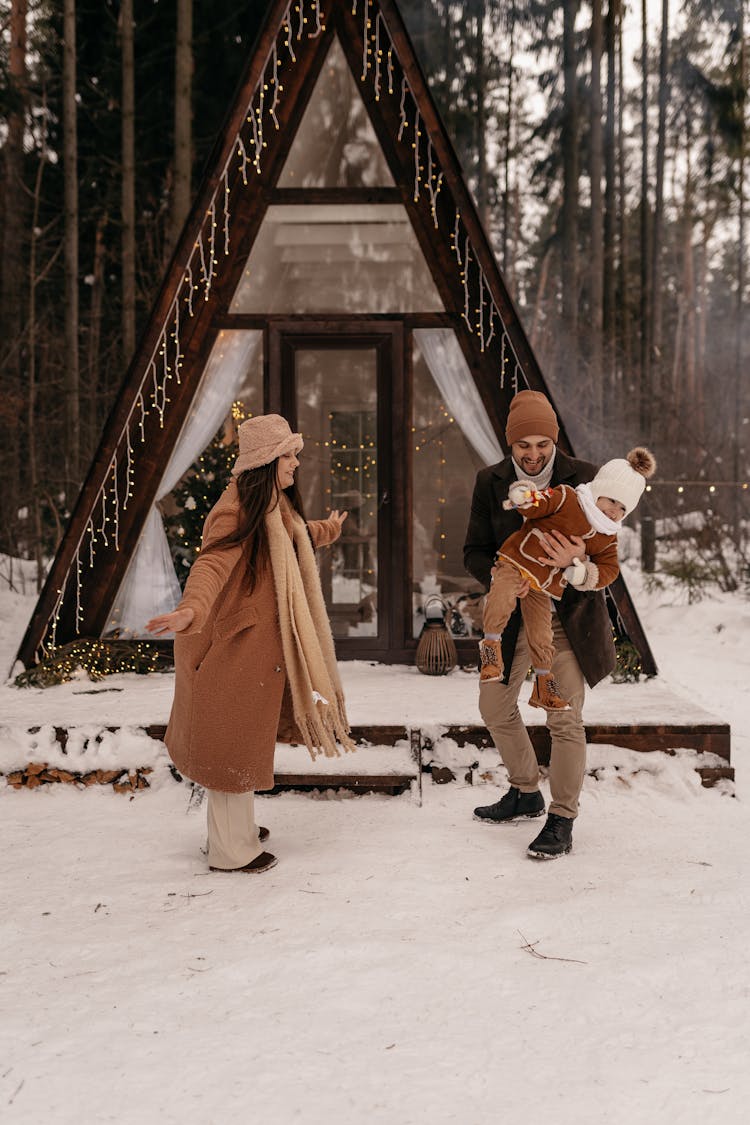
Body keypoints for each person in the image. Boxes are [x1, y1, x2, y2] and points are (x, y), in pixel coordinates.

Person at [146, 414, 355, 875]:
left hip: (254, 649)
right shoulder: (234, 509)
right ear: (267, 460)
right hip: (227, 649)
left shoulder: (271, 504)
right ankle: (230, 850)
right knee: (228, 751)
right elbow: (213, 562)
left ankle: (234, 831)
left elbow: (297, 536)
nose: (296, 463)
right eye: (289, 455)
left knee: (238, 746)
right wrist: (191, 610)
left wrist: (329, 529)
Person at [464, 389, 619, 859]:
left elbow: (609, 559)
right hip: (513, 613)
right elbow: (471, 549)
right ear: (510, 446)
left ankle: (562, 817)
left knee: (565, 717)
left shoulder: (588, 479)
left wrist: (577, 561)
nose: (533, 456)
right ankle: (526, 790)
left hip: (566, 619)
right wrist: (500, 572)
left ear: (554, 443)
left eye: (542, 446)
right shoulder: (490, 481)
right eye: (523, 447)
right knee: (494, 706)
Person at [479, 447, 656, 715]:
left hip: (543, 584)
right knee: (502, 597)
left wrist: (582, 570)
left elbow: (609, 570)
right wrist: (526, 497)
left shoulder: (607, 537)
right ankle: (491, 648)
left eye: (623, 508)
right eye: (611, 501)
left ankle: (543, 684)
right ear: (598, 491)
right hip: (516, 561)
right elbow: (544, 501)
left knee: (542, 634)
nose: (615, 512)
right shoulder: (569, 498)